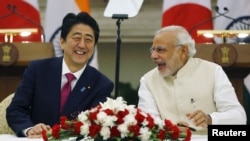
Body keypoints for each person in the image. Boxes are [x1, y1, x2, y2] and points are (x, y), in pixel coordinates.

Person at [6, 12, 114, 138]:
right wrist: (29, 128)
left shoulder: (102, 84)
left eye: (89, 40)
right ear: (62, 42)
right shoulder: (37, 70)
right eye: (76, 38)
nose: (82, 45)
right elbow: (15, 110)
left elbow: (96, 124)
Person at [137, 25, 247, 135]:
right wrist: (171, 131)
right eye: (153, 49)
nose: (153, 55)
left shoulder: (212, 71)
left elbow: (239, 117)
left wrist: (210, 119)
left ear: (183, 51)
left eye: (160, 50)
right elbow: (147, 123)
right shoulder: (148, 80)